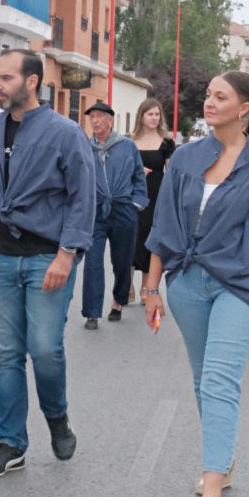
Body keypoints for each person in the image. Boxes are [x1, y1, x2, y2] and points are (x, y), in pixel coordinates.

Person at [142, 70, 249, 497]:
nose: (208, 102)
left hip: (240, 285)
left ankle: (210, 492)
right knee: (203, 380)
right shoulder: (185, 158)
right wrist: (151, 289)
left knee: (221, 380)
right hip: (186, 282)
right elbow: (163, 225)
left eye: (219, 97)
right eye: (207, 95)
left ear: (244, 108)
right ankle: (223, 462)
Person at [0, 49, 95, 478]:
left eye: (6, 77)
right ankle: (11, 442)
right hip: (2, 256)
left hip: (48, 255)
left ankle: (57, 417)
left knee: (44, 349)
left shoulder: (65, 133)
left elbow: (84, 195)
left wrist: (67, 254)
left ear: (32, 81)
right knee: (6, 354)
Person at [81, 101, 147, 329]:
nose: (95, 121)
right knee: (92, 262)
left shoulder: (127, 146)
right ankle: (91, 312)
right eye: (92, 117)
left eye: (99, 116)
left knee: (122, 262)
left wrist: (136, 203)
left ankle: (118, 301)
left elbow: (139, 175)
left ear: (110, 120)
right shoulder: (84, 147)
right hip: (96, 211)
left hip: (123, 210)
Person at [130, 98, 175, 300]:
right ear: (141, 116)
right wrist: (137, 170)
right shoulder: (129, 141)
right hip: (133, 194)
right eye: (150, 114)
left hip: (157, 195)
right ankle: (127, 285)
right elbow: (121, 168)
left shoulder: (167, 142)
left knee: (150, 238)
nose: (154, 118)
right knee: (131, 238)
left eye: (157, 114)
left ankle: (146, 287)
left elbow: (171, 172)